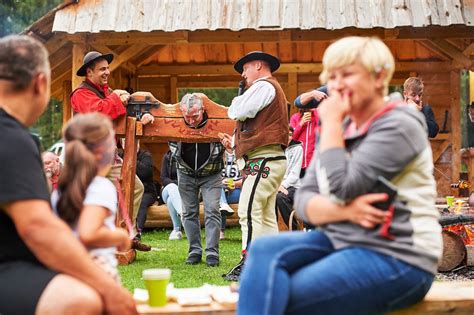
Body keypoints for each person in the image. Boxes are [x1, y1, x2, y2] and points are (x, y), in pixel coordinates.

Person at [238, 36, 442, 315]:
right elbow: (305, 199)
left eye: (346, 74)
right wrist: (344, 213)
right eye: (331, 77)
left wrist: (331, 124)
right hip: (345, 239)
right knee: (262, 251)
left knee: (282, 292)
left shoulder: (400, 123)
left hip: (399, 255)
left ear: (379, 77)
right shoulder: (341, 128)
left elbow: (342, 187)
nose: (336, 85)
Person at [0, 35, 136, 315]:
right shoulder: (12, 138)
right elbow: (37, 228)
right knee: (82, 300)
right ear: (40, 83)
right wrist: (108, 288)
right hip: (8, 266)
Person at [71, 50, 153, 251]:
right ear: (89, 73)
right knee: (91, 199)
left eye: (107, 68)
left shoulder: (106, 93)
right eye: (102, 69)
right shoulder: (80, 94)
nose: (107, 72)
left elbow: (118, 117)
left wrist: (140, 118)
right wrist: (117, 97)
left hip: (108, 157)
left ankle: (124, 235)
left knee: (135, 187)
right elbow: (100, 112)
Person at [220, 51, 288, 280]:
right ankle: (271, 263)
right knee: (266, 214)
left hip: (264, 160)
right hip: (268, 159)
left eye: (245, 68)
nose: (243, 74)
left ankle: (249, 262)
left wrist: (236, 101)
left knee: (248, 210)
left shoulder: (264, 86)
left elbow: (237, 111)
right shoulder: (269, 88)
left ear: (258, 65)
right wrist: (235, 143)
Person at [52, 113, 131, 282]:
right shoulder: (100, 187)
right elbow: (88, 233)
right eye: (112, 143)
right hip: (96, 273)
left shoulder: (60, 190)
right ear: (102, 152)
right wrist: (120, 236)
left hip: (64, 273)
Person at [169, 93, 225, 267]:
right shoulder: (174, 122)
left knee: (213, 210)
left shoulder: (218, 122)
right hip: (185, 172)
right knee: (188, 213)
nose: (191, 121)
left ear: (203, 110)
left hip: (211, 173)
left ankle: (212, 253)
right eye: (187, 116)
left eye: (195, 116)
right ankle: (194, 251)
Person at [291, 86, 327, 177]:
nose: (311, 106)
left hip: (314, 161)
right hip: (298, 161)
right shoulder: (296, 117)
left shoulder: (317, 115)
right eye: (309, 103)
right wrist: (301, 124)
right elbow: (292, 138)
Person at [275, 126, 303, 230]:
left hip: (293, 186)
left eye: (290, 135)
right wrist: (278, 186)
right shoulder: (275, 149)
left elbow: (294, 175)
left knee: (280, 197)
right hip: (277, 185)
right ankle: (273, 231)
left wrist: (283, 186)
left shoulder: (297, 149)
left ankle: (295, 230)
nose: (288, 137)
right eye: (286, 134)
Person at [133, 144, 158, 242]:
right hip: (130, 192)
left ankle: (138, 231)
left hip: (148, 192)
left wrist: (131, 158)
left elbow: (145, 173)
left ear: (138, 143)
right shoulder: (122, 155)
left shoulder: (146, 155)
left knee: (141, 202)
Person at [160, 149, 184, 240]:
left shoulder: (186, 157)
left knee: (171, 200)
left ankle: (176, 230)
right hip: (167, 189)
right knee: (172, 187)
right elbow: (163, 178)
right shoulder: (167, 157)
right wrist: (175, 184)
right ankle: (182, 213)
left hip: (183, 191)